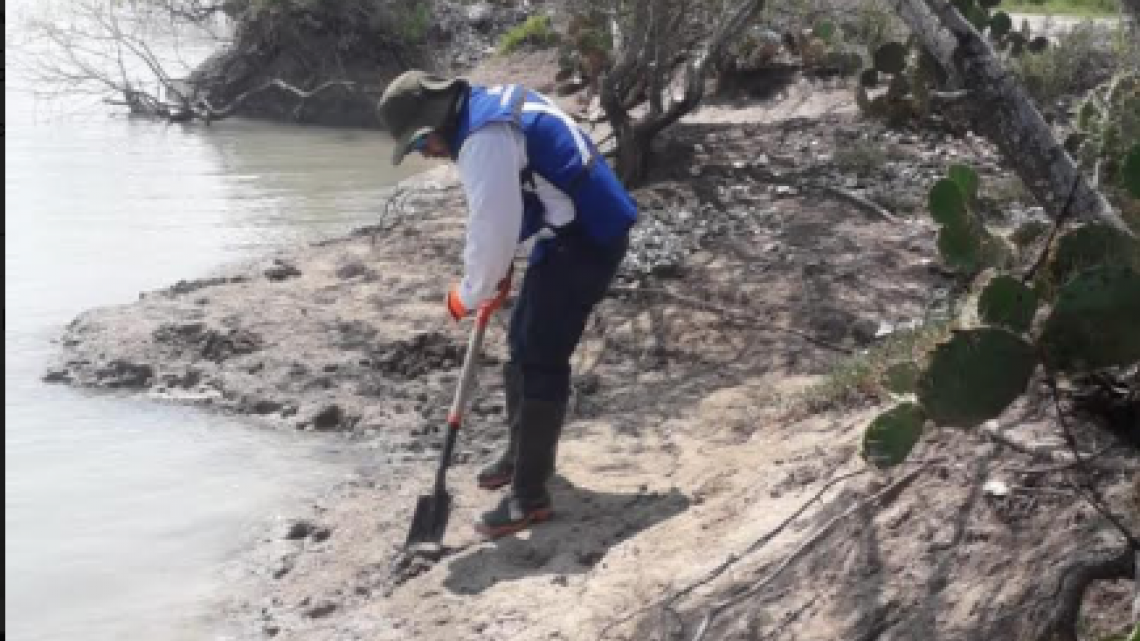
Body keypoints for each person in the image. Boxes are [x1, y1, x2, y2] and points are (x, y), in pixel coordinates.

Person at [378, 70, 637, 538]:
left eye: (420, 144)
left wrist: (470, 293)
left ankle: (528, 497)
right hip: (564, 227)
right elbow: (532, 186)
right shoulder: (490, 105)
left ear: (432, 122)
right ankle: (522, 457)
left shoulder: (483, 139)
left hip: (587, 236)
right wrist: (505, 265)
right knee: (522, 339)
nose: (428, 154)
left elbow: (491, 226)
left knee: (541, 357)